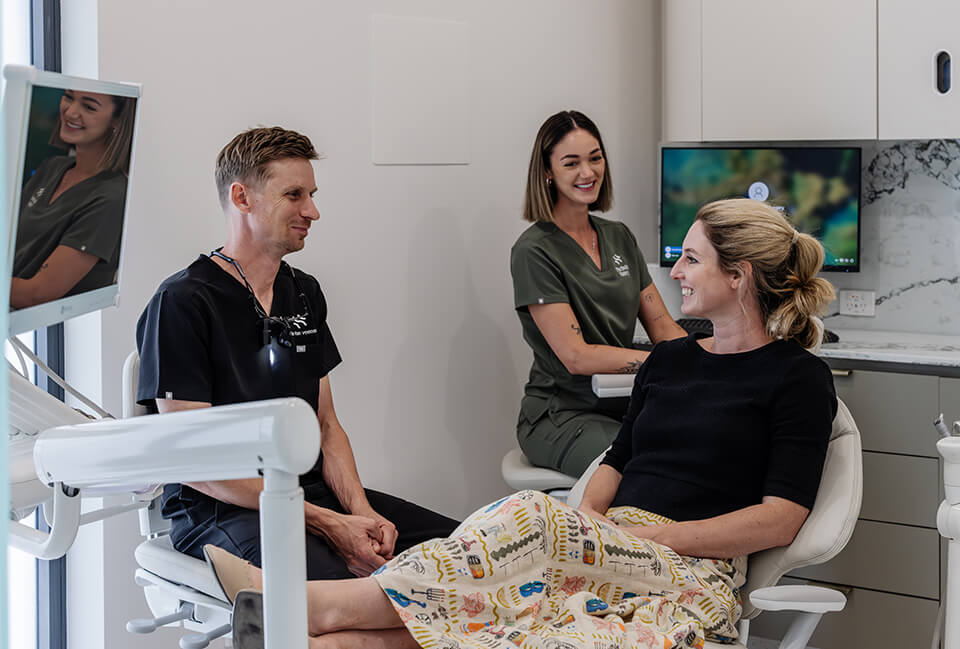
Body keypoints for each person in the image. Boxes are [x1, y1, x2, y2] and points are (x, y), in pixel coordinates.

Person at [208, 198, 838, 649]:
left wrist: (649, 539)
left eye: (691, 260)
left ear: (739, 274)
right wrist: (590, 524)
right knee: (515, 581)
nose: (674, 272)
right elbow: (617, 460)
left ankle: (298, 605)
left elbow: (781, 517)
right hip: (612, 541)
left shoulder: (797, 378)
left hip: (690, 568)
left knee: (531, 520)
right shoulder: (670, 360)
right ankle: (319, 640)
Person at [135, 127, 458, 581]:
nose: (313, 211)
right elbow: (192, 463)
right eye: (294, 195)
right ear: (242, 198)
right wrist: (329, 523)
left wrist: (361, 514)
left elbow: (325, 426)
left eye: (312, 194)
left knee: (468, 554)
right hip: (221, 511)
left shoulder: (302, 292)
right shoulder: (183, 302)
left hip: (309, 495)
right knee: (352, 592)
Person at [511, 110, 686, 477]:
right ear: (547, 171)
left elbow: (663, 328)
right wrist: (662, 362)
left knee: (705, 445)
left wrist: (711, 359)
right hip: (560, 416)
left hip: (624, 404)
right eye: (571, 163)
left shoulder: (618, 236)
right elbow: (576, 357)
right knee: (652, 468)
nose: (587, 173)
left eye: (595, 158)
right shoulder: (535, 251)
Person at [11, 88, 136, 308]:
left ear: (116, 120)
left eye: (88, 106)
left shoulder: (110, 197)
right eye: (68, 97)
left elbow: (37, 293)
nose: (70, 112)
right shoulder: (53, 167)